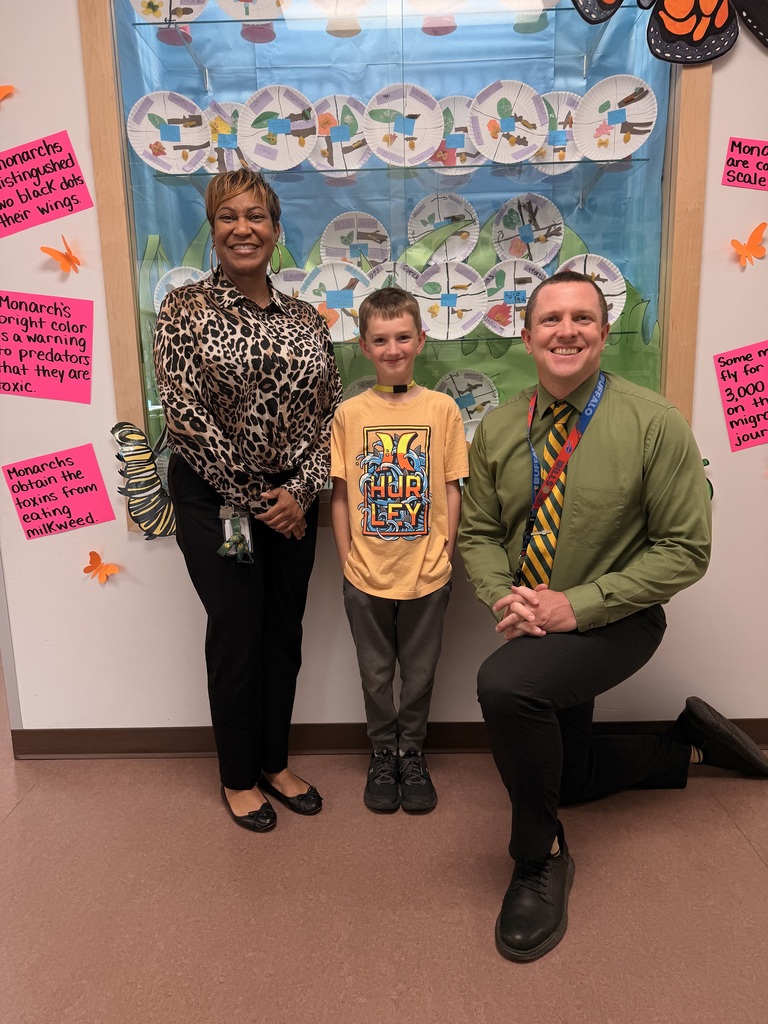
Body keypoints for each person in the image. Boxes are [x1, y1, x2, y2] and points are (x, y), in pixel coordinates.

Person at [458, 270, 768, 962]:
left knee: (507, 688)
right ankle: (690, 744)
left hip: (620, 620)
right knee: (565, 773)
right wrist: (503, 595)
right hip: (534, 616)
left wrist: (580, 604)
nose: (566, 331)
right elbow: (477, 531)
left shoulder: (654, 424)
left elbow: (686, 551)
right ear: (526, 333)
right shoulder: (501, 428)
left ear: (603, 333)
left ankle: (541, 855)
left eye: (582, 319)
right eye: (550, 320)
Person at [153, 168, 342, 832]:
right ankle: (238, 774)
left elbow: (329, 417)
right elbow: (185, 417)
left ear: (276, 230)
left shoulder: (305, 320)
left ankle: (274, 760)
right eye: (228, 216)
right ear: (212, 229)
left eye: (256, 216)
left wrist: (300, 491)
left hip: (295, 505)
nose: (243, 228)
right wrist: (262, 498)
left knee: (282, 632)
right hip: (225, 509)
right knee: (239, 629)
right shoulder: (185, 310)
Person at [330, 288, 469, 813]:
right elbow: (341, 494)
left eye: (403, 337)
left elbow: (452, 486)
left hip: (427, 572)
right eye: (381, 339)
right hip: (365, 573)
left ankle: (412, 751)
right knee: (375, 672)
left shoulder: (443, 409)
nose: (393, 348)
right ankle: (382, 751)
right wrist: (347, 558)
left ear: (421, 340)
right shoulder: (349, 413)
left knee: (421, 669)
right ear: (364, 346)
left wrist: (446, 551)